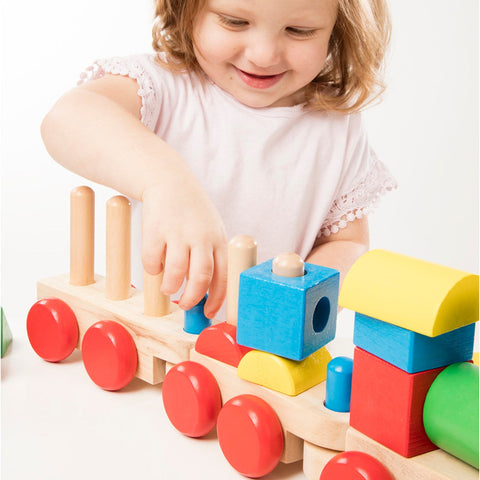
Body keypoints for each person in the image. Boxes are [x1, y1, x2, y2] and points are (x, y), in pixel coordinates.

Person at [40, 0, 396, 322]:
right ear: (186, 8)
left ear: (337, 29)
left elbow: (347, 243)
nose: (264, 54)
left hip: (257, 361)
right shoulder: (165, 87)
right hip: (146, 336)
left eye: (299, 31)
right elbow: (67, 118)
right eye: (234, 21)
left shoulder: (336, 126)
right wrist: (167, 184)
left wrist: (295, 307)